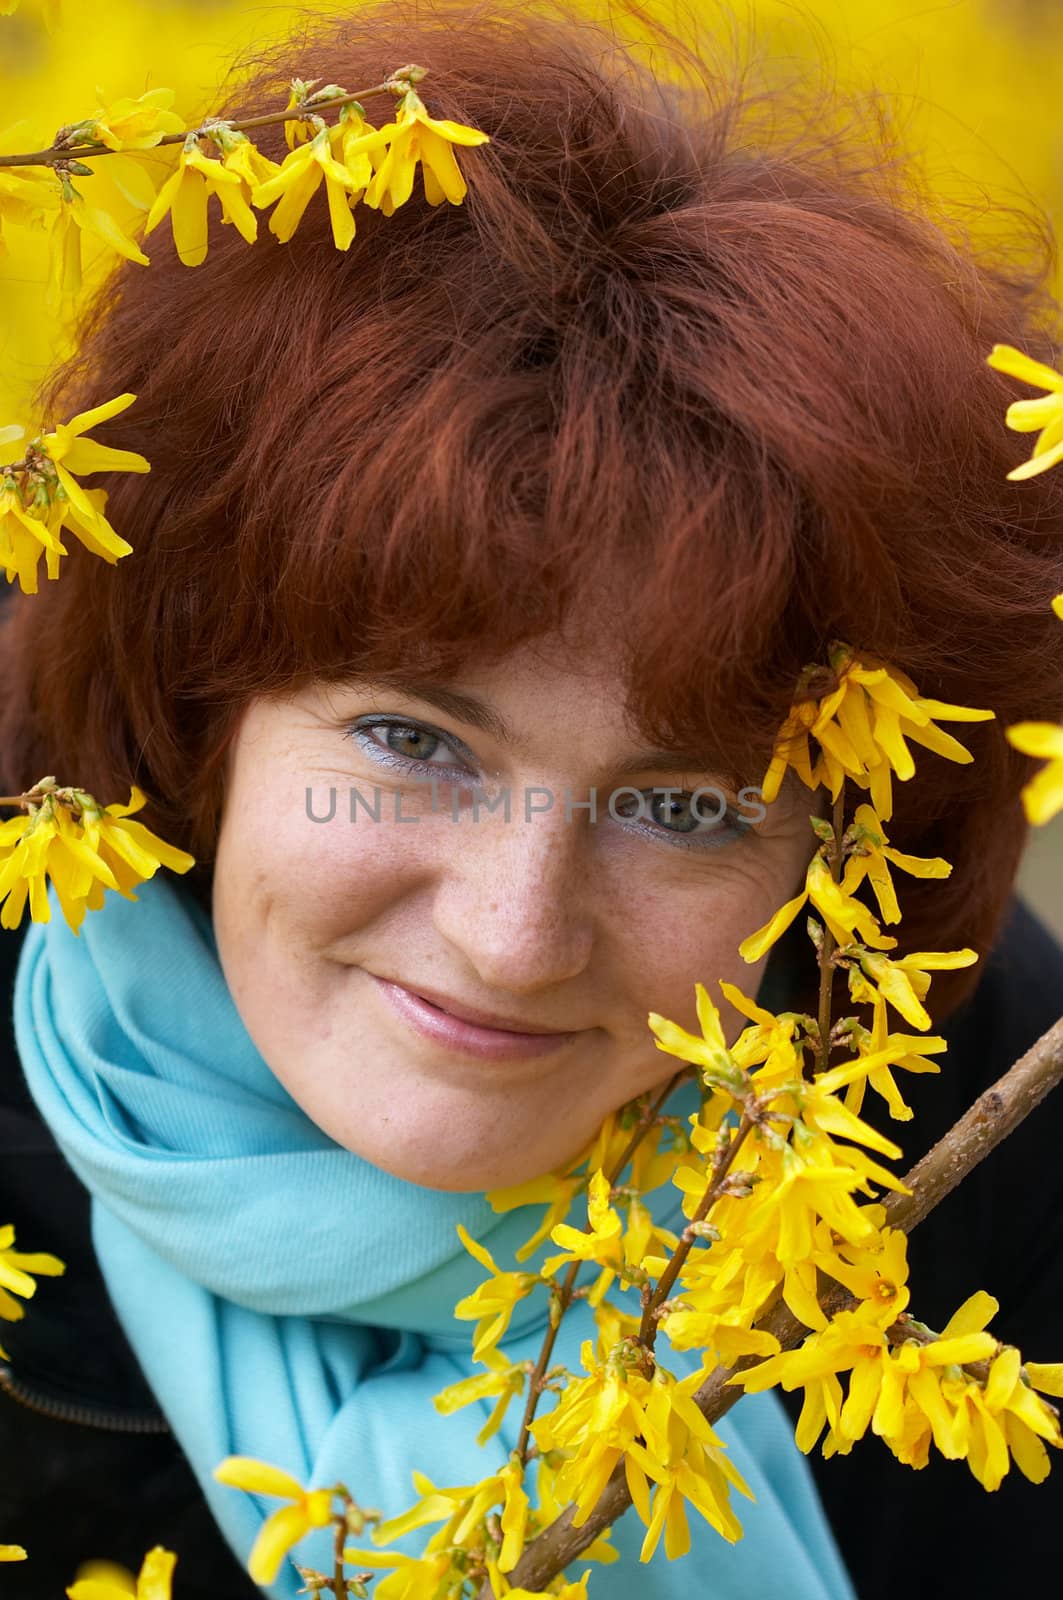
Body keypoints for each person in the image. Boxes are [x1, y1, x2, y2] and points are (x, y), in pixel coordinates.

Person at [0, 0, 1061, 1595]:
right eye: (415, 743)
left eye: (687, 807)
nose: (510, 940)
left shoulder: (987, 1166)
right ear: (203, 708)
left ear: (851, 854)